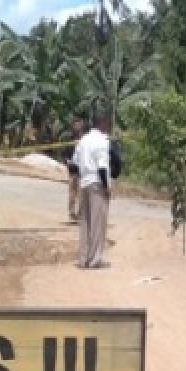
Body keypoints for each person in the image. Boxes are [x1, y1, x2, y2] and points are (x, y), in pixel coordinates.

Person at [71, 115, 112, 268]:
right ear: (102, 124)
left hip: (84, 184)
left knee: (85, 223)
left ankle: (83, 259)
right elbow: (102, 168)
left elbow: (73, 165)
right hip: (97, 184)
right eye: (108, 125)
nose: (109, 128)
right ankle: (95, 260)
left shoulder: (83, 141)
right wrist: (107, 187)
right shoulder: (102, 141)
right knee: (97, 223)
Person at [65, 118, 85, 223]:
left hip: (83, 170)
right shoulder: (69, 138)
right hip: (73, 169)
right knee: (73, 192)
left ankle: (81, 214)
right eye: (75, 125)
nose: (77, 127)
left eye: (79, 125)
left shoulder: (85, 139)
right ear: (72, 126)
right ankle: (72, 213)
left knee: (82, 193)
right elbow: (66, 152)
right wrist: (67, 161)